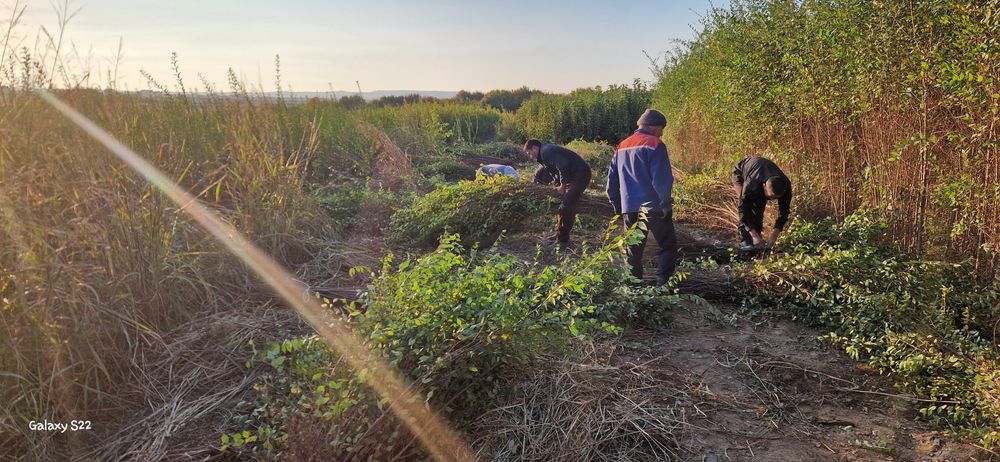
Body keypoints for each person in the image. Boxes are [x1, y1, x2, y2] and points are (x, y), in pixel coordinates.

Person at [606, 109, 678, 284]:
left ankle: (634, 287)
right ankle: (662, 285)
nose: (661, 133)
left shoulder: (622, 146)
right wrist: (665, 206)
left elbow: (611, 182)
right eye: (662, 129)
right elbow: (662, 180)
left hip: (629, 207)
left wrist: (617, 205)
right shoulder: (654, 144)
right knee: (667, 245)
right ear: (653, 127)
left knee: (633, 250)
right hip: (653, 207)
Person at [522, 139, 593, 246]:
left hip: (580, 175)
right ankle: (559, 233)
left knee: (567, 205)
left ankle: (563, 241)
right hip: (572, 176)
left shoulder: (547, 151)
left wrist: (562, 185)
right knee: (561, 205)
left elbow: (562, 166)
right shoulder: (544, 154)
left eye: (529, 153)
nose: (530, 156)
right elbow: (552, 170)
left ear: (534, 148)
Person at [731, 156, 792, 250]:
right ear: (764, 186)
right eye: (770, 197)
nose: (772, 199)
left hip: (760, 173)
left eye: (776, 198)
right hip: (741, 173)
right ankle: (745, 240)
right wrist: (754, 236)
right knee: (750, 207)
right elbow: (742, 208)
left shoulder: (785, 186)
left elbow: (784, 212)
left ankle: (757, 241)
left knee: (759, 209)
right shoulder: (752, 183)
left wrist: (774, 235)